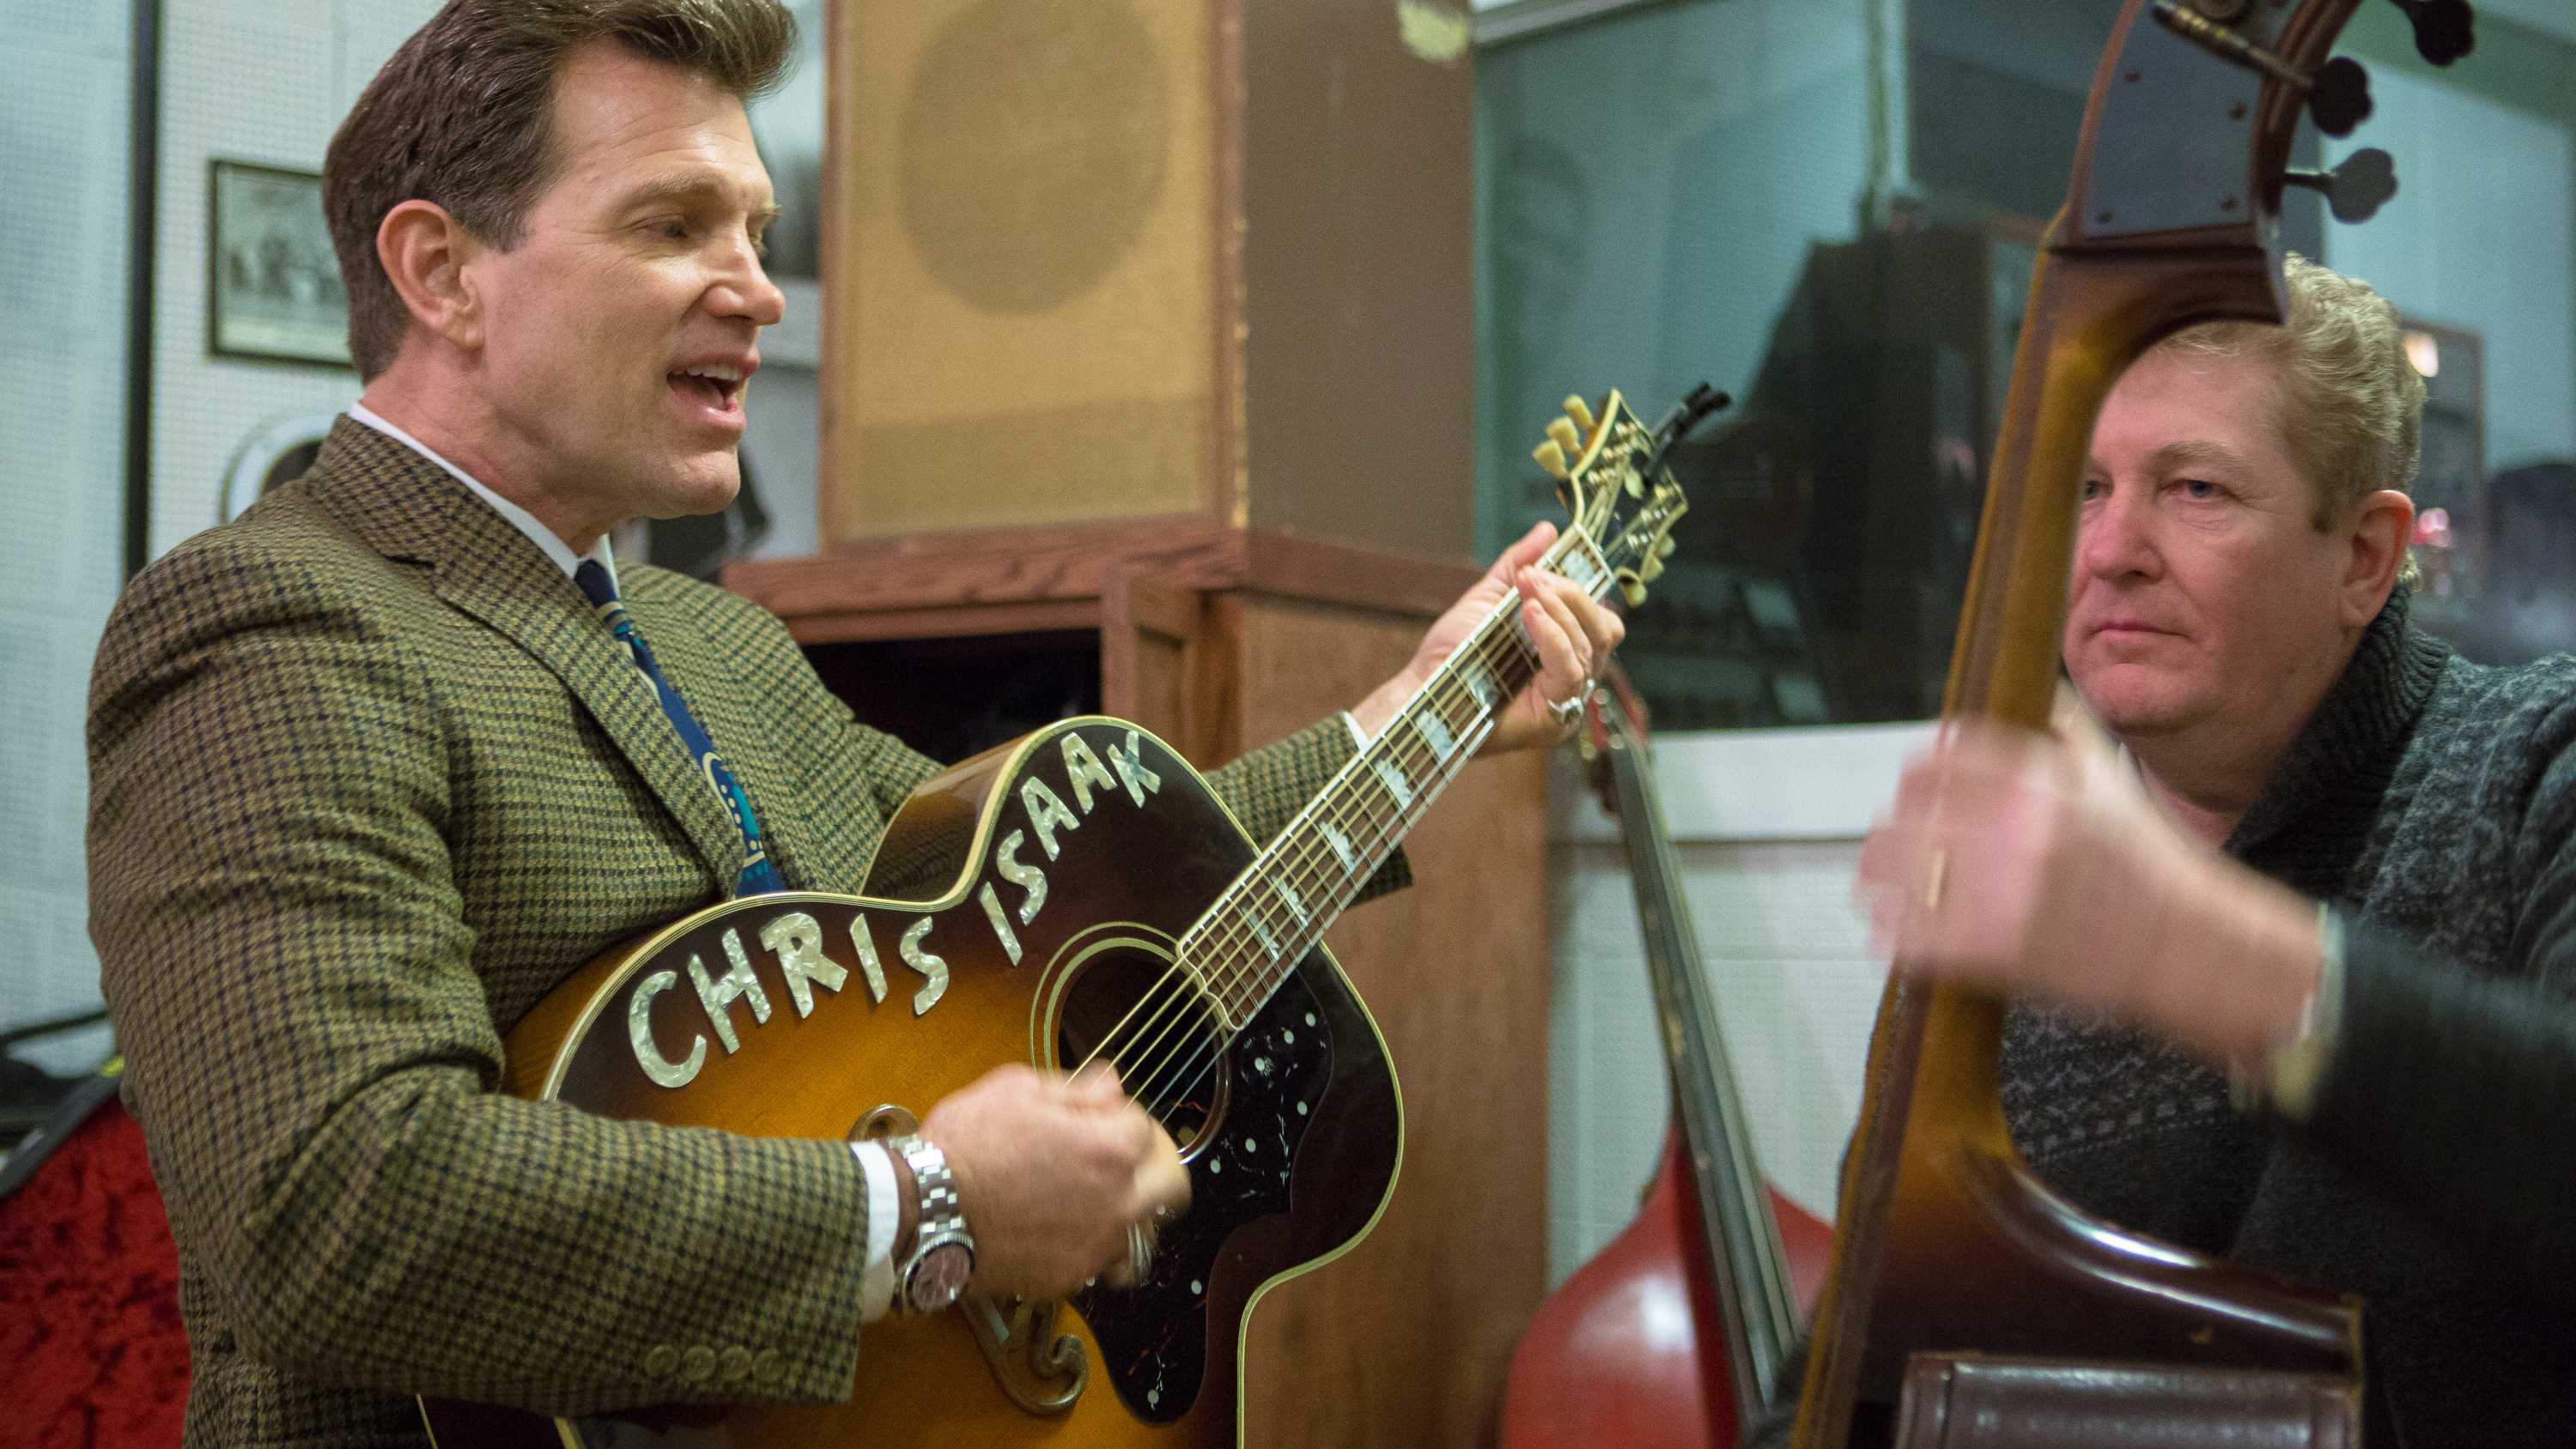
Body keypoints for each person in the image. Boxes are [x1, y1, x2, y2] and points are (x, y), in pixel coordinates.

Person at [85, 3, 1621, 1444]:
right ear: (442, 274)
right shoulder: (269, 618)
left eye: (756, 228)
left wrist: (1413, 719)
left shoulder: (716, 640)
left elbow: (1057, 902)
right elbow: (334, 1210)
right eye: (673, 224)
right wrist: (929, 1210)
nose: (757, 287)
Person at [1856, 253, 2576, 1444]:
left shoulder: (2537, 763)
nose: (2110, 550)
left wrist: (2178, 942)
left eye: (2193, 489)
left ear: (2364, 557)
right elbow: (1864, 1359)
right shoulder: (2015, 878)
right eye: (2085, 489)